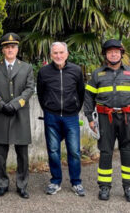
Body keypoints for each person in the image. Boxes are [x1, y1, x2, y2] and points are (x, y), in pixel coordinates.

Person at [84, 39, 130, 202]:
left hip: (128, 118)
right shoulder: (97, 74)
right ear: (105, 54)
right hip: (104, 118)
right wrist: (90, 118)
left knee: (128, 152)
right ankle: (104, 187)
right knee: (106, 152)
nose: (113, 54)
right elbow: (88, 97)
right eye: (110, 51)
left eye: (116, 51)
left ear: (121, 53)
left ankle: (129, 187)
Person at [0, 32, 34, 199]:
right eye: (7, 47)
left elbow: (29, 89)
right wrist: (0, 104)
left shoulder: (27, 67)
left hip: (19, 114)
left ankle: (22, 186)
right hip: (0, 114)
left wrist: (14, 104)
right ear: (3, 50)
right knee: (0, 155)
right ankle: (2, 184)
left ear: (17, 49)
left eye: (13, 46)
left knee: (22, 154)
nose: (10, 49)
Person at [37, 42, 86, 196]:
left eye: (61, 52)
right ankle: (55, 181)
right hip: (51, 116)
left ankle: (76, 182)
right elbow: (40, 93)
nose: (58, 56)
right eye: (55, 53)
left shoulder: (76, 71)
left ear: (67, 54)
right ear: (51, 55)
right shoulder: (44, 72)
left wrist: (74, 108)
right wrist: (48, 107)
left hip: (71, 117)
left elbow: (81, 92)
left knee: (74, 151)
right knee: (53, 150)